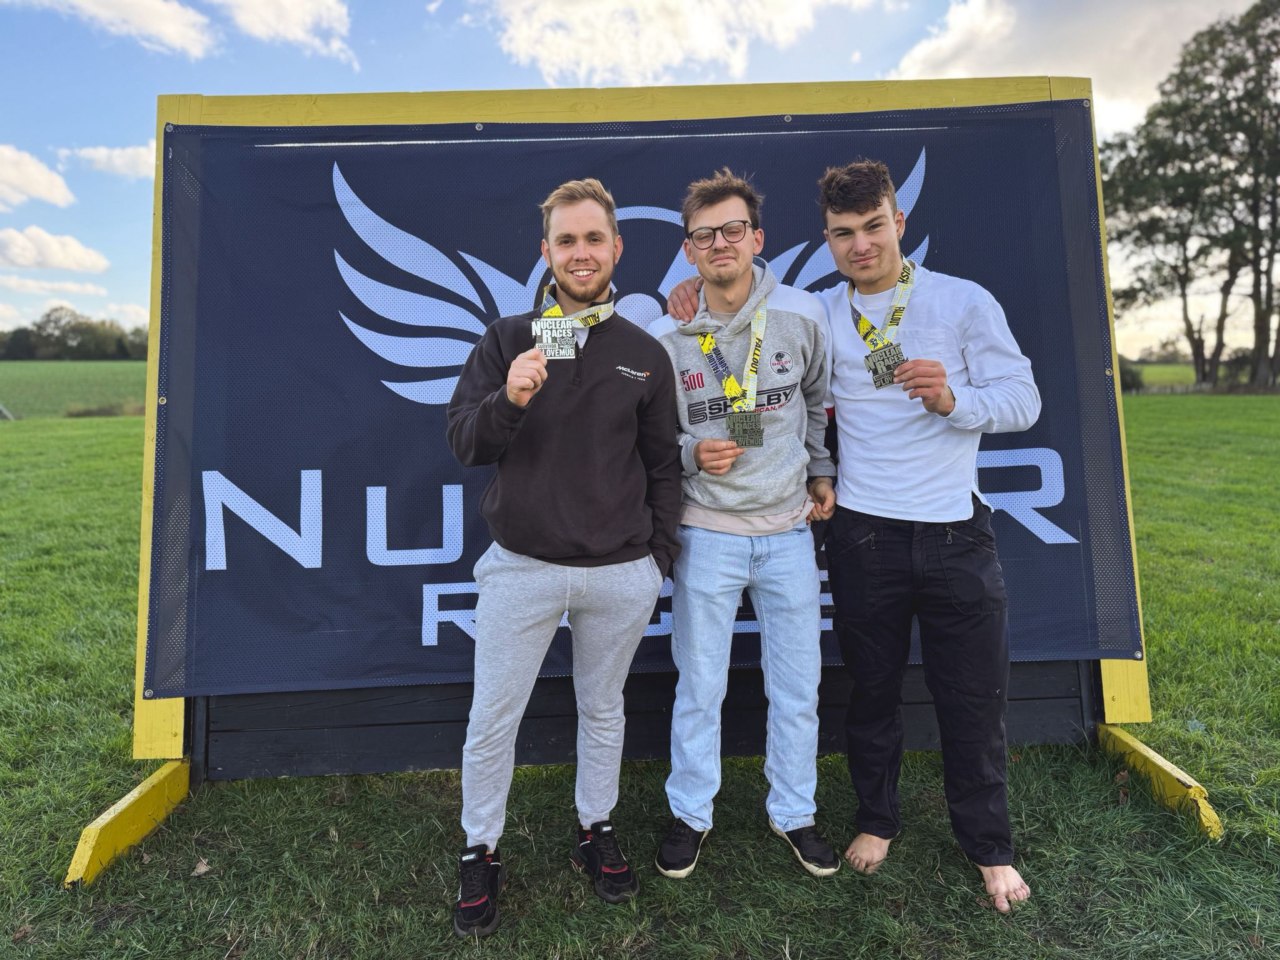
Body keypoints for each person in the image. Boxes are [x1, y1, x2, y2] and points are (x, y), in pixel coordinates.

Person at [666, 158, 1040, 913]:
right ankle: (876, 822)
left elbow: (1024, 400)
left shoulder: (963, 303)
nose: (860, 245)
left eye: (874, 227)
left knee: (971, 697)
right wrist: (689, 291)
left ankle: (990, 849)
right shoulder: (818, 313)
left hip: (955, 530)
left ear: (899, 223)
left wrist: (956, 399)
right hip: (861, 531)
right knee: (870, 694)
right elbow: (749, 332)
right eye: (844, 234)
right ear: (828, 241)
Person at [445, 177, 682, 937]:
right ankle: (480, 848)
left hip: (619, 570)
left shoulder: (645, 353)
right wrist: (508, 400)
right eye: (566, 240)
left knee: (602, 709)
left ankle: (595, 828)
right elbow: (463, 442)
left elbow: (663, 466)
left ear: (617, 248)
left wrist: (658, 558)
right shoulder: (509, 338)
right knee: (493, 717)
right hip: (522, 565)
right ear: (545, 252)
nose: (581, 254)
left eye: (593, 239)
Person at [650, 168, 840, 881]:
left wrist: (822, 472)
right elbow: (646, 437)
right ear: (688, 250)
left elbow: (819, 401)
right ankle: (690, 815)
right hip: (707, 532)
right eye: (705, 234)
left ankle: (795, 812)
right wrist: (689, 453)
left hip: (789, 532)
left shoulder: (802, 315)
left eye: (733, 229)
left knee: (798, 687)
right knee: (700, 686)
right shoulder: (665, 331)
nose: (720, 242)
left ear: (757, 239)